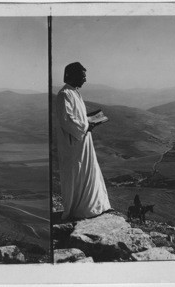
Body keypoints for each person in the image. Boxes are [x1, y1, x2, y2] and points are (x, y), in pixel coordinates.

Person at [55, 62, 112, 220]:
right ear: (72, 75)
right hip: (73, 144)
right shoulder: (64, 94)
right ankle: (80, 211)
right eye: (82, 76)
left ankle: (94, 207)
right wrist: (87, 125)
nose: (85, 80)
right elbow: (65, 120)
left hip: (83, 140)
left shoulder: (75, 93)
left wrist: (88, 121)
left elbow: (77, 118)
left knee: (89, 172)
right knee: (78, 174)